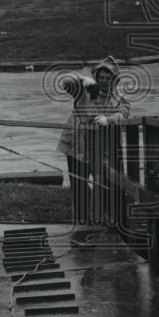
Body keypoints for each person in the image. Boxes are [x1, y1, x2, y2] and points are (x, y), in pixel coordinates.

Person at [57, 56, 130, 236]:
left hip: (102, 150)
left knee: (107, 184)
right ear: (96, 77)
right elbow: (64, 82)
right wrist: (81, 79)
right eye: (101, 77)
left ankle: (112, 221)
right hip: (77, 145)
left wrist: (109, 119)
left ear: (114, 80)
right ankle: (82, 223)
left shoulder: (119, 99)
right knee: (79, 184)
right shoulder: (83, 91)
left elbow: (125, 114)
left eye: (108, 78)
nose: (104, 81)